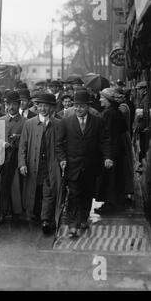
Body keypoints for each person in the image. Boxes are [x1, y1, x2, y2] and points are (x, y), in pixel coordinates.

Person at [56, 91, 112, 238]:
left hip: (91, 166)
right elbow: (59, 144)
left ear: (88, 106)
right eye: (76, 106)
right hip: (72, 166)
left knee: (88, 194)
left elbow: (104, 140)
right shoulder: (66, 122)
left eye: (81, 106)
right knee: (73, 195)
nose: (78, 109)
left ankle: (83, 218)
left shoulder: (98, 121)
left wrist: (107, 157)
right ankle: (72, 225)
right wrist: (62, 159)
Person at [18, 92, 61, 234]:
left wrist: (62, 161)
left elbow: (61, 146)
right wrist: (22, 163)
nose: (42, 109)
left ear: (52, 108)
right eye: (40, 106)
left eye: (46, 106)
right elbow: (23, 146)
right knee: (33, 191)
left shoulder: (58, 124)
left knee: (49, 191)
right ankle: (33, 214)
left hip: (50, 165)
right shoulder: (29, 124)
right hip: (33, 164)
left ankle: (46, 220)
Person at [0, 91, 27, 224]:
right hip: (1, 159)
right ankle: (1, 212)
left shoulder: (25, 122)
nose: (11, 107)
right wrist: (2, 143)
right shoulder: (0, 121)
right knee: (1, 186)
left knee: (16, 186)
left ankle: (16, 212)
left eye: (14, 104)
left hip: (17, 159)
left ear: (19, 105)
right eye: (8, 104)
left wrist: (18, 139)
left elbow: (27, 142)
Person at [95, 88, 129, 213]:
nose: (100, 99)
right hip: (116, 151)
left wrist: (107, 155)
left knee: (109, 179)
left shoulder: (109, 113)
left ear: (108, 100)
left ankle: (110, 205)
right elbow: (123, 128)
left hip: (110, 152)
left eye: (102, 97)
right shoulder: (115, 111)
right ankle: (114, 202)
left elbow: (107, 135)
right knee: (114, 178)